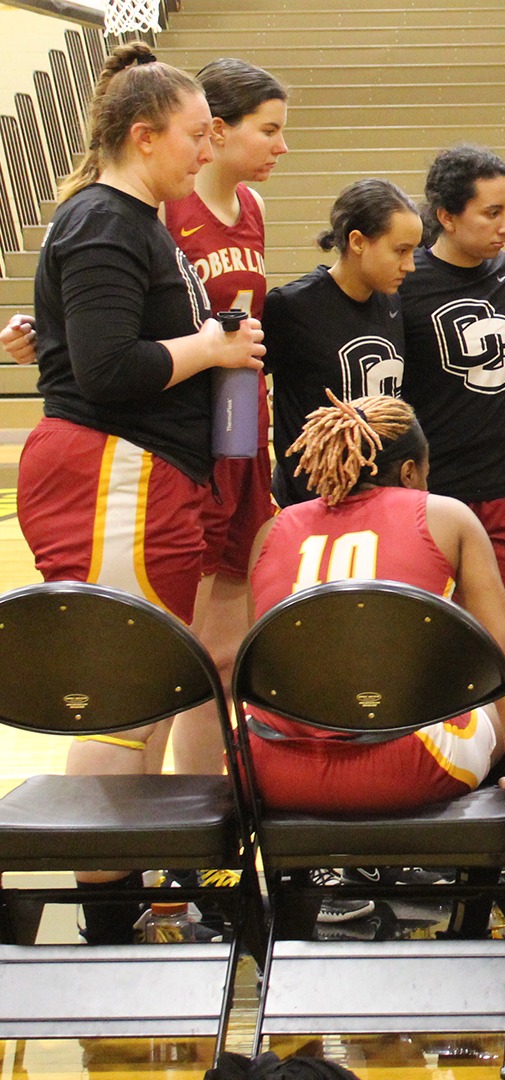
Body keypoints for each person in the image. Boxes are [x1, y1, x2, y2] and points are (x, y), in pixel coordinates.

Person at [20, 42, 264, 944]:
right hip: (111, 470)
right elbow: (111, 369)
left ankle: (135, 903)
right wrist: (215, 349)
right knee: (123, 691)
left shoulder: (134, 220)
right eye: (198, 136)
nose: (208, 151)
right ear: (145, 135)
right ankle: (112, 922)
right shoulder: (107, 222)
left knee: (147, 684)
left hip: (144, 472)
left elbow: (93, 339)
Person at [244, 393, 505, 814]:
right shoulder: (446, 516)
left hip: (271, 768)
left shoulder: (271, 531)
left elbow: (259, 672)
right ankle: (488, 862)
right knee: (489, 700)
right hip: (402, 768)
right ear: (410, 471)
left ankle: (312, 869)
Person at [147, 59, 287, 778]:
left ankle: (215, 826)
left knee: (230, 655)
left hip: (243, 434)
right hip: (187, 443)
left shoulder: (254, 212)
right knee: (182, 653)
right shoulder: (163, 212)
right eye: (269, 131)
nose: (281, 147)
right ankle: (166, 821)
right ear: (218, 130)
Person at [400, 146, 505, 606]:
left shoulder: (501, 270)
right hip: (431, 486)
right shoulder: (406, 281)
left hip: (498, 482)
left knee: (501, 629)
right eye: (491, 213)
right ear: (447, 217)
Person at [264, 180, 420, 506]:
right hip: (310, 503)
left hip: (380, 499)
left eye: (413, 252)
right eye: (400, 251)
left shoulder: (393, 302)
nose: (410, 265)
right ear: (358, 242)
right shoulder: (292, 306)